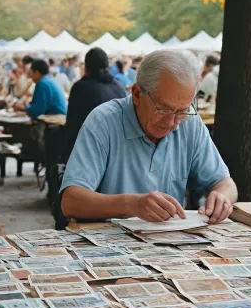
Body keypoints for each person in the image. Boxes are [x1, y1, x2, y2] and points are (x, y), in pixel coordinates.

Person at [60, 49, 237, 223]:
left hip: (170, 241)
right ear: (137, 94)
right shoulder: (103, 122)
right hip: (112, 239)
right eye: (163, 109)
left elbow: (226, 184)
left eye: (182, 111)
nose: (171, 122)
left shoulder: (190, 123)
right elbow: (71, 201)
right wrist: (132, 204)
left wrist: (222, 198)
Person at [63, 48, 127, 161]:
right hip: (119, 153)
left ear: (86, 68)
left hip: (90, 155)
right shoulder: (119, 86)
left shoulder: (80, 88)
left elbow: (72, 125)